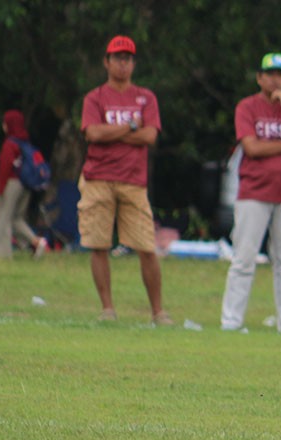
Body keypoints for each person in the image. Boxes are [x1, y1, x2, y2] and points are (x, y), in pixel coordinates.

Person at [78, 35, 171, 324]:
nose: (123, 63)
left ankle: (158, 312)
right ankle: (108, 309)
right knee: (99, 244)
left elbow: (150, 135)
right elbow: (92, 133)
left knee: (146, 246)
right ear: (106, 62)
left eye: (128, 58)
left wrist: (112, 130)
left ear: (134, 63)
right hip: (98, 178)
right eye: (118, 58)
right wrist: (131, 126)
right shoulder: (94, 97)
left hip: (133, 180)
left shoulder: (146, 97)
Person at [221, 52, 281, 335]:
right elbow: (252, 148)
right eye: (270, 74)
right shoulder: (247, 107)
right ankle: (231, 321)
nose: (275, 79)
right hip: (254, 192)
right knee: (244, 258)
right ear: (260, 77)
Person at [0, 109, 49, 260]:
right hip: (26, 186)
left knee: (1, 221)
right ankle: (37, 242)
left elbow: (5, 169)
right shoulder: (25, 143)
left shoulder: (10, 144)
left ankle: (3, 257)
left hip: (11, 184)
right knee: (16, 219)